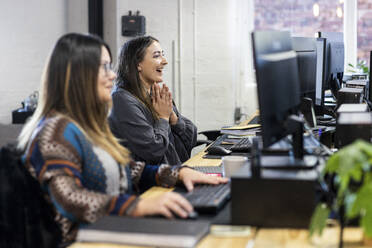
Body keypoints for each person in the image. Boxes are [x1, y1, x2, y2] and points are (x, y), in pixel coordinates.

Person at [17, 33, 227, 244]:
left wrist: (177, 174)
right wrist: (138, 206)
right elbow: (71, 200)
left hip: (107, 229)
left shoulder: (87, 127)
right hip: (79, 241)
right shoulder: (54, 132)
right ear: (77, 75)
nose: (112, 75)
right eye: (103, 67)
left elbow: (127, 169)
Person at [109, 36, 197, 165]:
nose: (165, 61)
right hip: (152, 182)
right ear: (138, 64)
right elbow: (153, 151)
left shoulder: (156, 95)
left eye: (163, 55)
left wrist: (173, 119)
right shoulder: (122, 100)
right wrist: (163, 118)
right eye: (157, 56)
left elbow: (191, 138)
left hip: (175, 172)